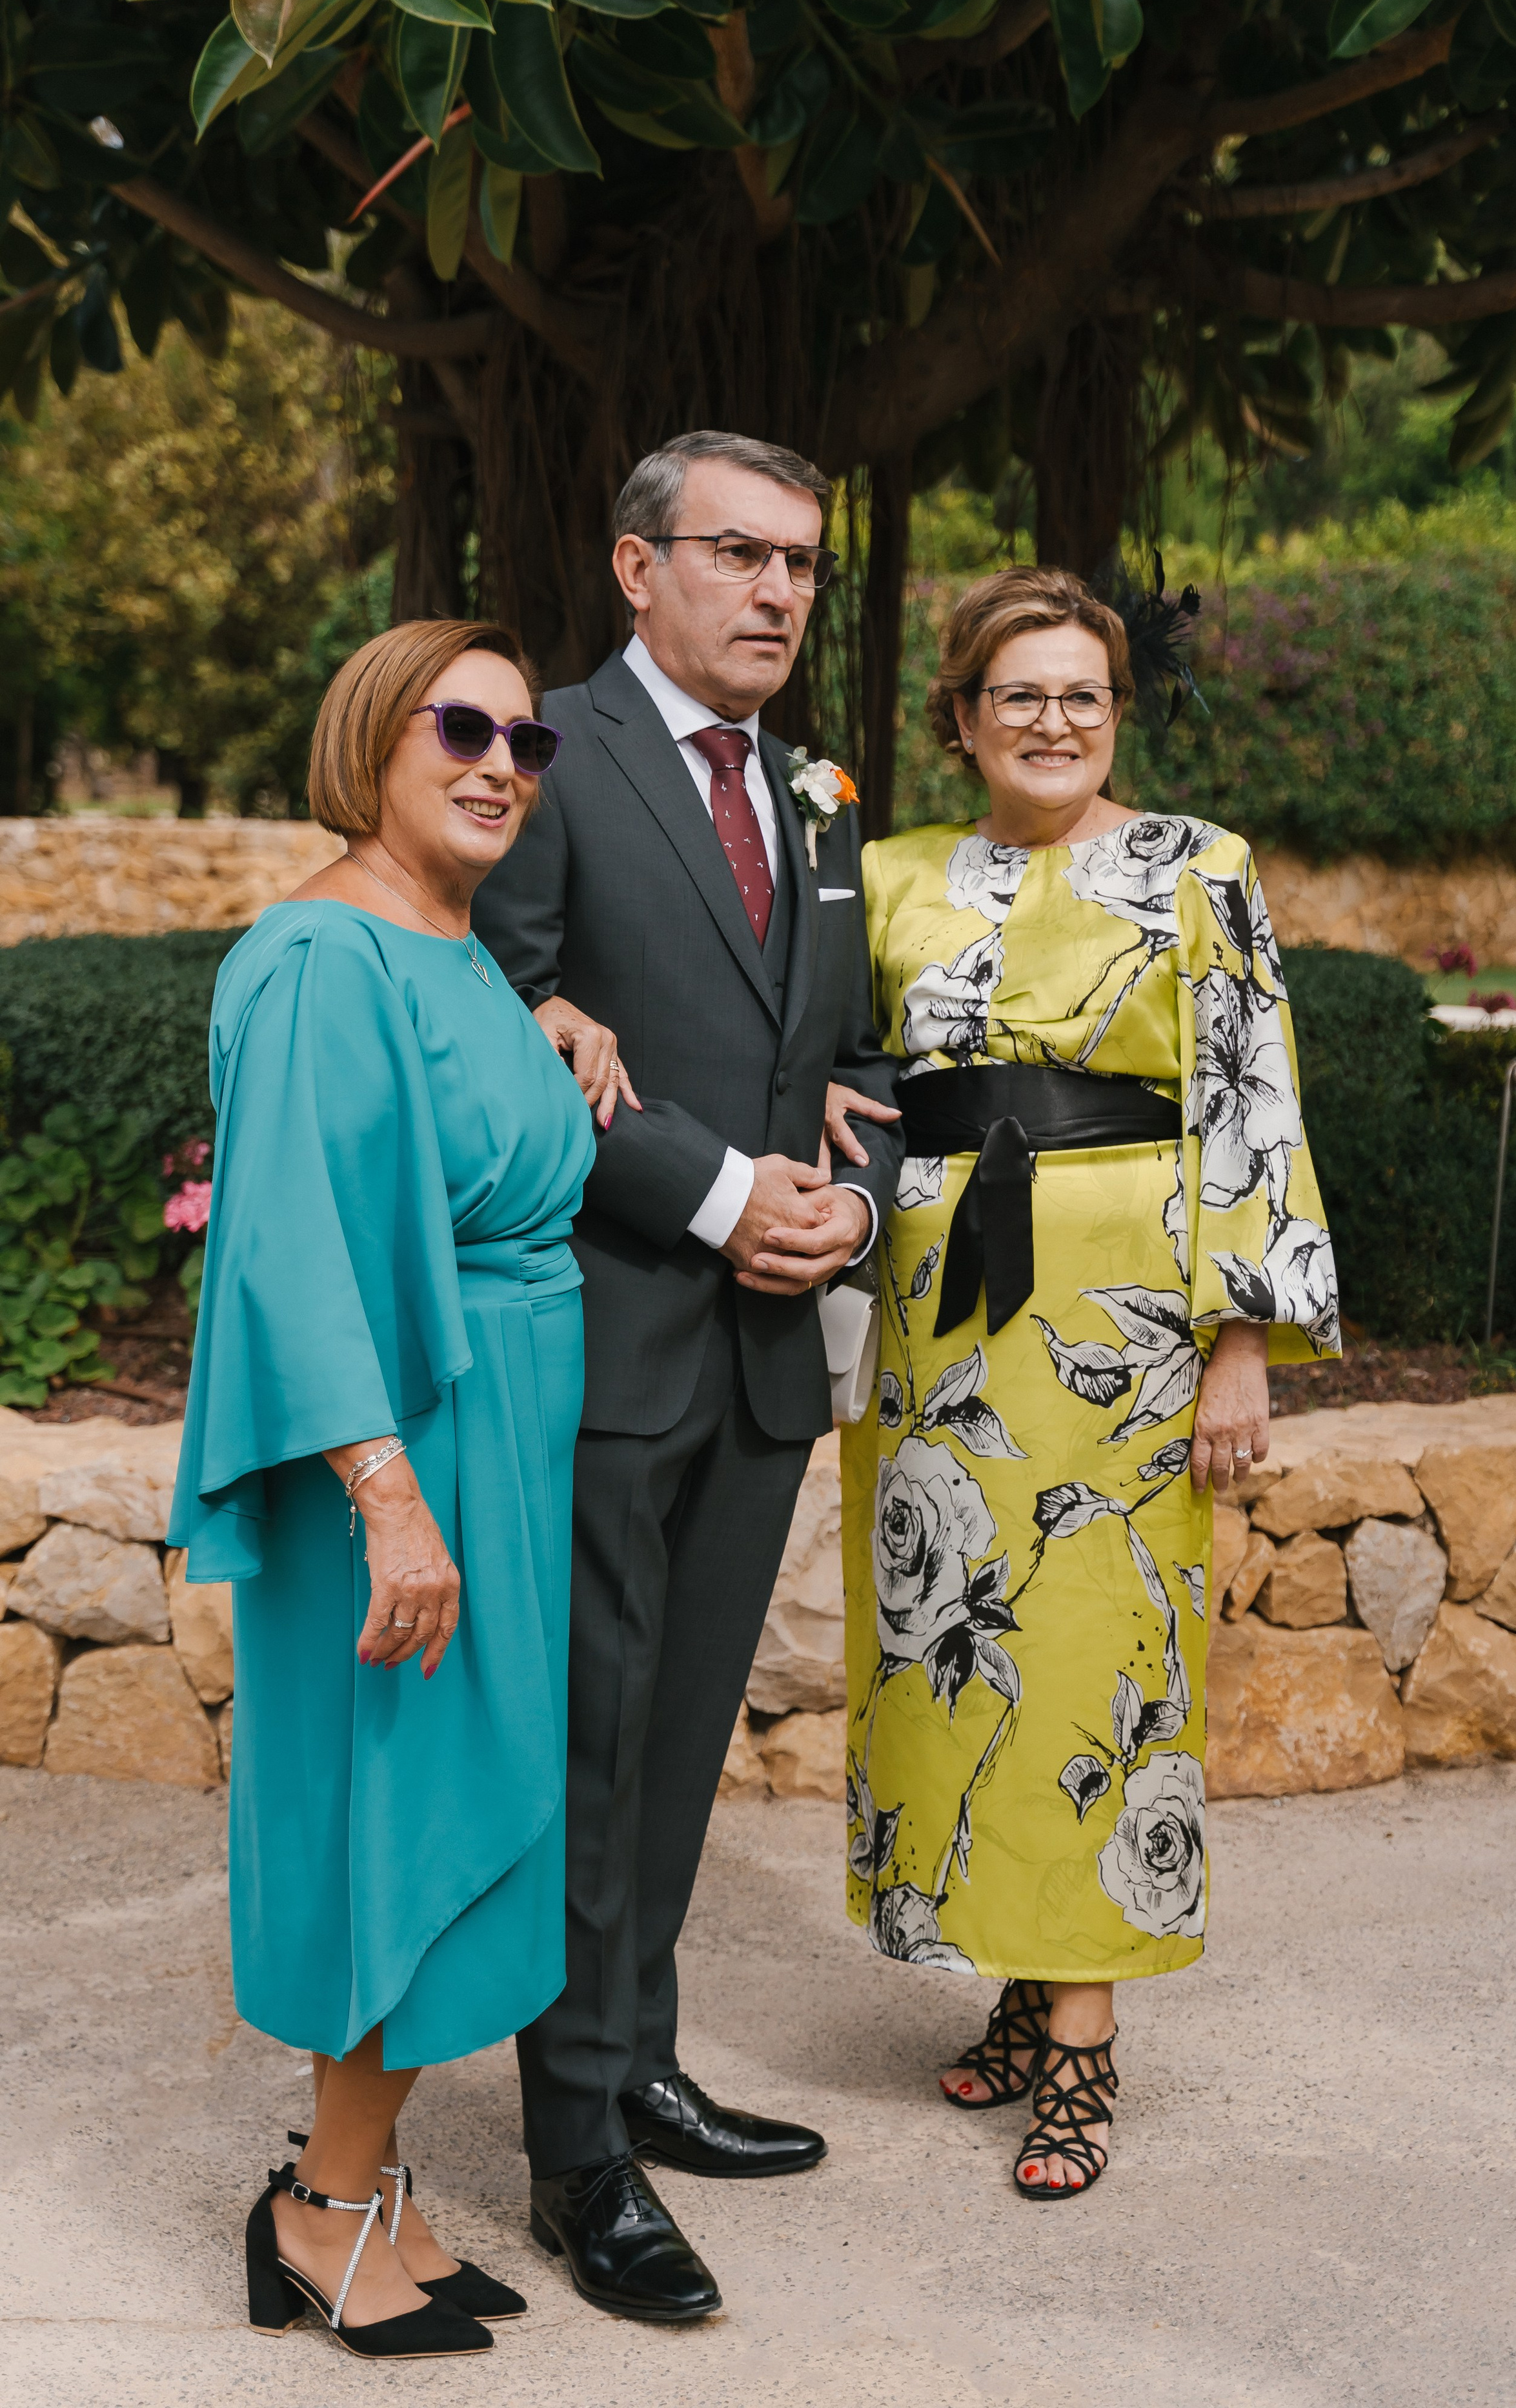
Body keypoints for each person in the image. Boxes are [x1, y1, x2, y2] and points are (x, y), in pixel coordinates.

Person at [837, 566, 1340, 2199]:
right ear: (963, 716)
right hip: (936, 1323)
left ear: (1115, 713)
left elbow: (1248, 1091)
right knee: (958, 1653)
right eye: (1018, 694)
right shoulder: (894, 876)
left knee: (1094, 1647)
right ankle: (1011, 1955)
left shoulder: (1199, 868)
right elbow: (830, 1081)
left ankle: (1081, 2048)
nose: (1051, 721)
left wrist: (1240, 1343)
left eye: (1082, 695)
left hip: (1120, 1325)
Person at [471, 430, 903, 2321]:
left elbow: (852, 1054)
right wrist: (724, 1196)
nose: (781, 593)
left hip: (761, 1355)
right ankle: (576, 2157)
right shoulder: (544, 757)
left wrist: (846, 1209)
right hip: (609, 1333)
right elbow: (503, 1024)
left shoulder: (815, 796)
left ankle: (640, 2059)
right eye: (740, 555)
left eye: (803, 564)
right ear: (638, 567)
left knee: (680, 1750)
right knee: (588, 1744)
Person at [167, 619, 601, 2355]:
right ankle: (320, 2208)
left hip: (502, 1434)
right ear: (375, 735)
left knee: (467, 1812)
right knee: (396, 1819)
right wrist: (386, 1496)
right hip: (405, 1450)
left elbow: (459, 1130)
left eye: (528, 741)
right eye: (463, 726)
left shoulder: (456, 946)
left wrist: (557, 1037)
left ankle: (367, 2182)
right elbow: (282, 1246)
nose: (501, 760)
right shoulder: (313, 955)